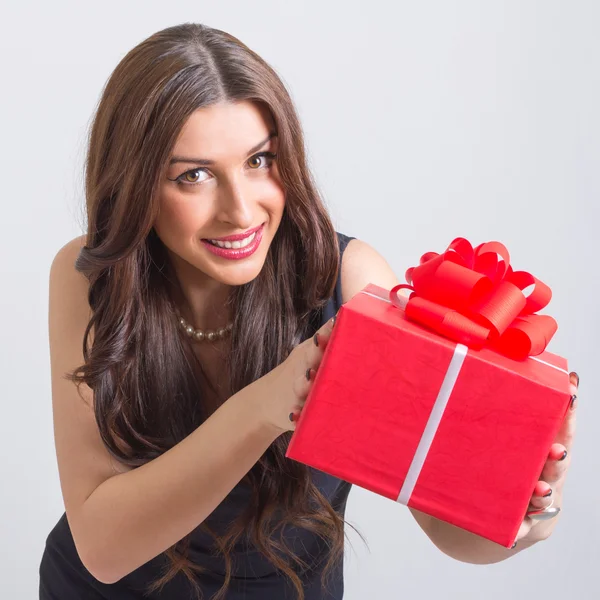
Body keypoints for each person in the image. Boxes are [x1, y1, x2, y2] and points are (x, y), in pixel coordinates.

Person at [39, 21, 579, 600]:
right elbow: (101, 549)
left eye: (259, 160)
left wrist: (524, 516)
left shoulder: (350, 282)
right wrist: (267, 406)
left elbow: (444, 529)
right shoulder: (90, 277)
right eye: (193, 176)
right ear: (136, 183)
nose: (241, 211)